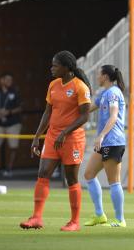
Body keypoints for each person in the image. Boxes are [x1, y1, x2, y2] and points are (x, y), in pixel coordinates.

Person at [20, 51, 92, 232]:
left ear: (66, 67)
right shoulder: (53, 85)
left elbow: (85, 116)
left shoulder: (80, 87)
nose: (52, 68)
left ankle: (74, 222)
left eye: (55, 65)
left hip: (72, 139)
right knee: (43, 173)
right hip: (53, 136)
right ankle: (36, 217)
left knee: (71, 178)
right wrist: (37, 136)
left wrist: (66, 132)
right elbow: (47, 112)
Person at [83, 65, 127, 228]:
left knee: (114, 181)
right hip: (105, 142)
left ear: (106, 77)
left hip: (113, 141)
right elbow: (87, 109)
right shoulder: (104, 93)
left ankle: (119, 219)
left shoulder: (113, 93)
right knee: (89, 174)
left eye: (98, 75)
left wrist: (101, 136)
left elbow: (114, 116)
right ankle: (100, 215)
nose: (96, 77)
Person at [0, 72, 22, 178]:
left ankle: (9, 168)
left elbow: (20, 108)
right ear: (1, 80)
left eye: (11, 80)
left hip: (13, 123)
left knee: (13, 146)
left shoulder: (15, 92)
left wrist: (9, 112)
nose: (9, 82)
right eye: (7, 80)